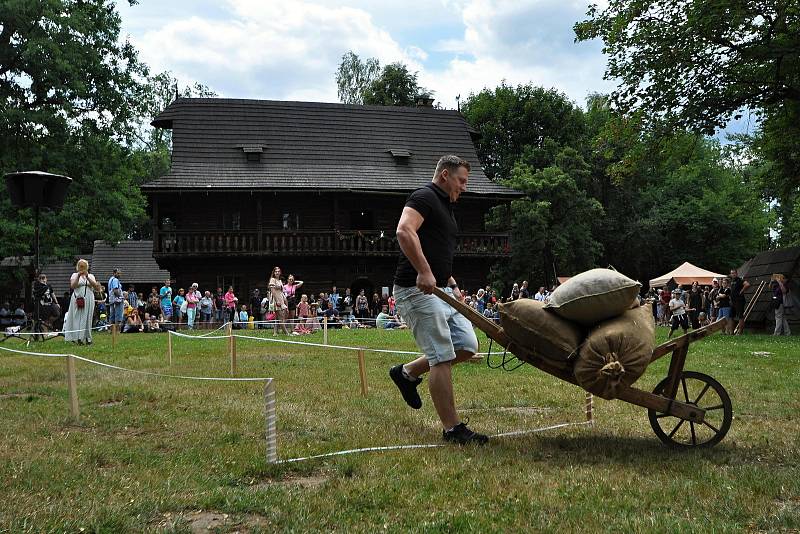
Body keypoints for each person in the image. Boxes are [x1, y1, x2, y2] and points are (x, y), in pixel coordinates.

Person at [389, 154, 488, 445]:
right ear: (445, 175)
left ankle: (406, 373)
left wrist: (453, 284)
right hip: (414, 289)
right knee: (442, 356)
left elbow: (438, 251)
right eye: (462, 181)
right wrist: (423, 271)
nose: (464, 187)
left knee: (467, 346)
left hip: (441, 290)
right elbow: (404, 230)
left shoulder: (445, 207)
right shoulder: (424, 196)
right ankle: (452, 429)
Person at [65, 259, 102, 344]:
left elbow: (97, 288)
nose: (82, 268)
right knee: (77, 317)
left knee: (87, 317)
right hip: (77, 298)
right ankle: (78, 337)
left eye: (83, 266)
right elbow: (73, 286)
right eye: (80, 266)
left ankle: (87, 338)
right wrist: (78, 276)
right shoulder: (74, 275)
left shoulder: (91, 276)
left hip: (89, 298)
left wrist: (87, 276)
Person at [268, 266, 290, 335]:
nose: (277, 273)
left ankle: (275, 332)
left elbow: (281, 292)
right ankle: (287, 333)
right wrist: (277, 300)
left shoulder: (280, 281)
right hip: (276, 299)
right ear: (274, 272)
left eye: (278, 271)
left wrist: (284, 300)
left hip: (281, 298)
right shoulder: (272, 279)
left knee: (278, 317)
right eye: (276, 271)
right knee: (281, 316)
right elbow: (273, 291)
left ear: (280, 272)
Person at [729, 269, 750, 335]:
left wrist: (741, 291)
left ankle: (740, 332)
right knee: (731, 316)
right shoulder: (732, 281)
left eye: (734, 273)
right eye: (732, 273)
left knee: (740, 316)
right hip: (733, 301)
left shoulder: (739, 280)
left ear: (736, 273)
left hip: (739, 301)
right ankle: (732, 332)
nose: (733, 274)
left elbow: (747, 284)